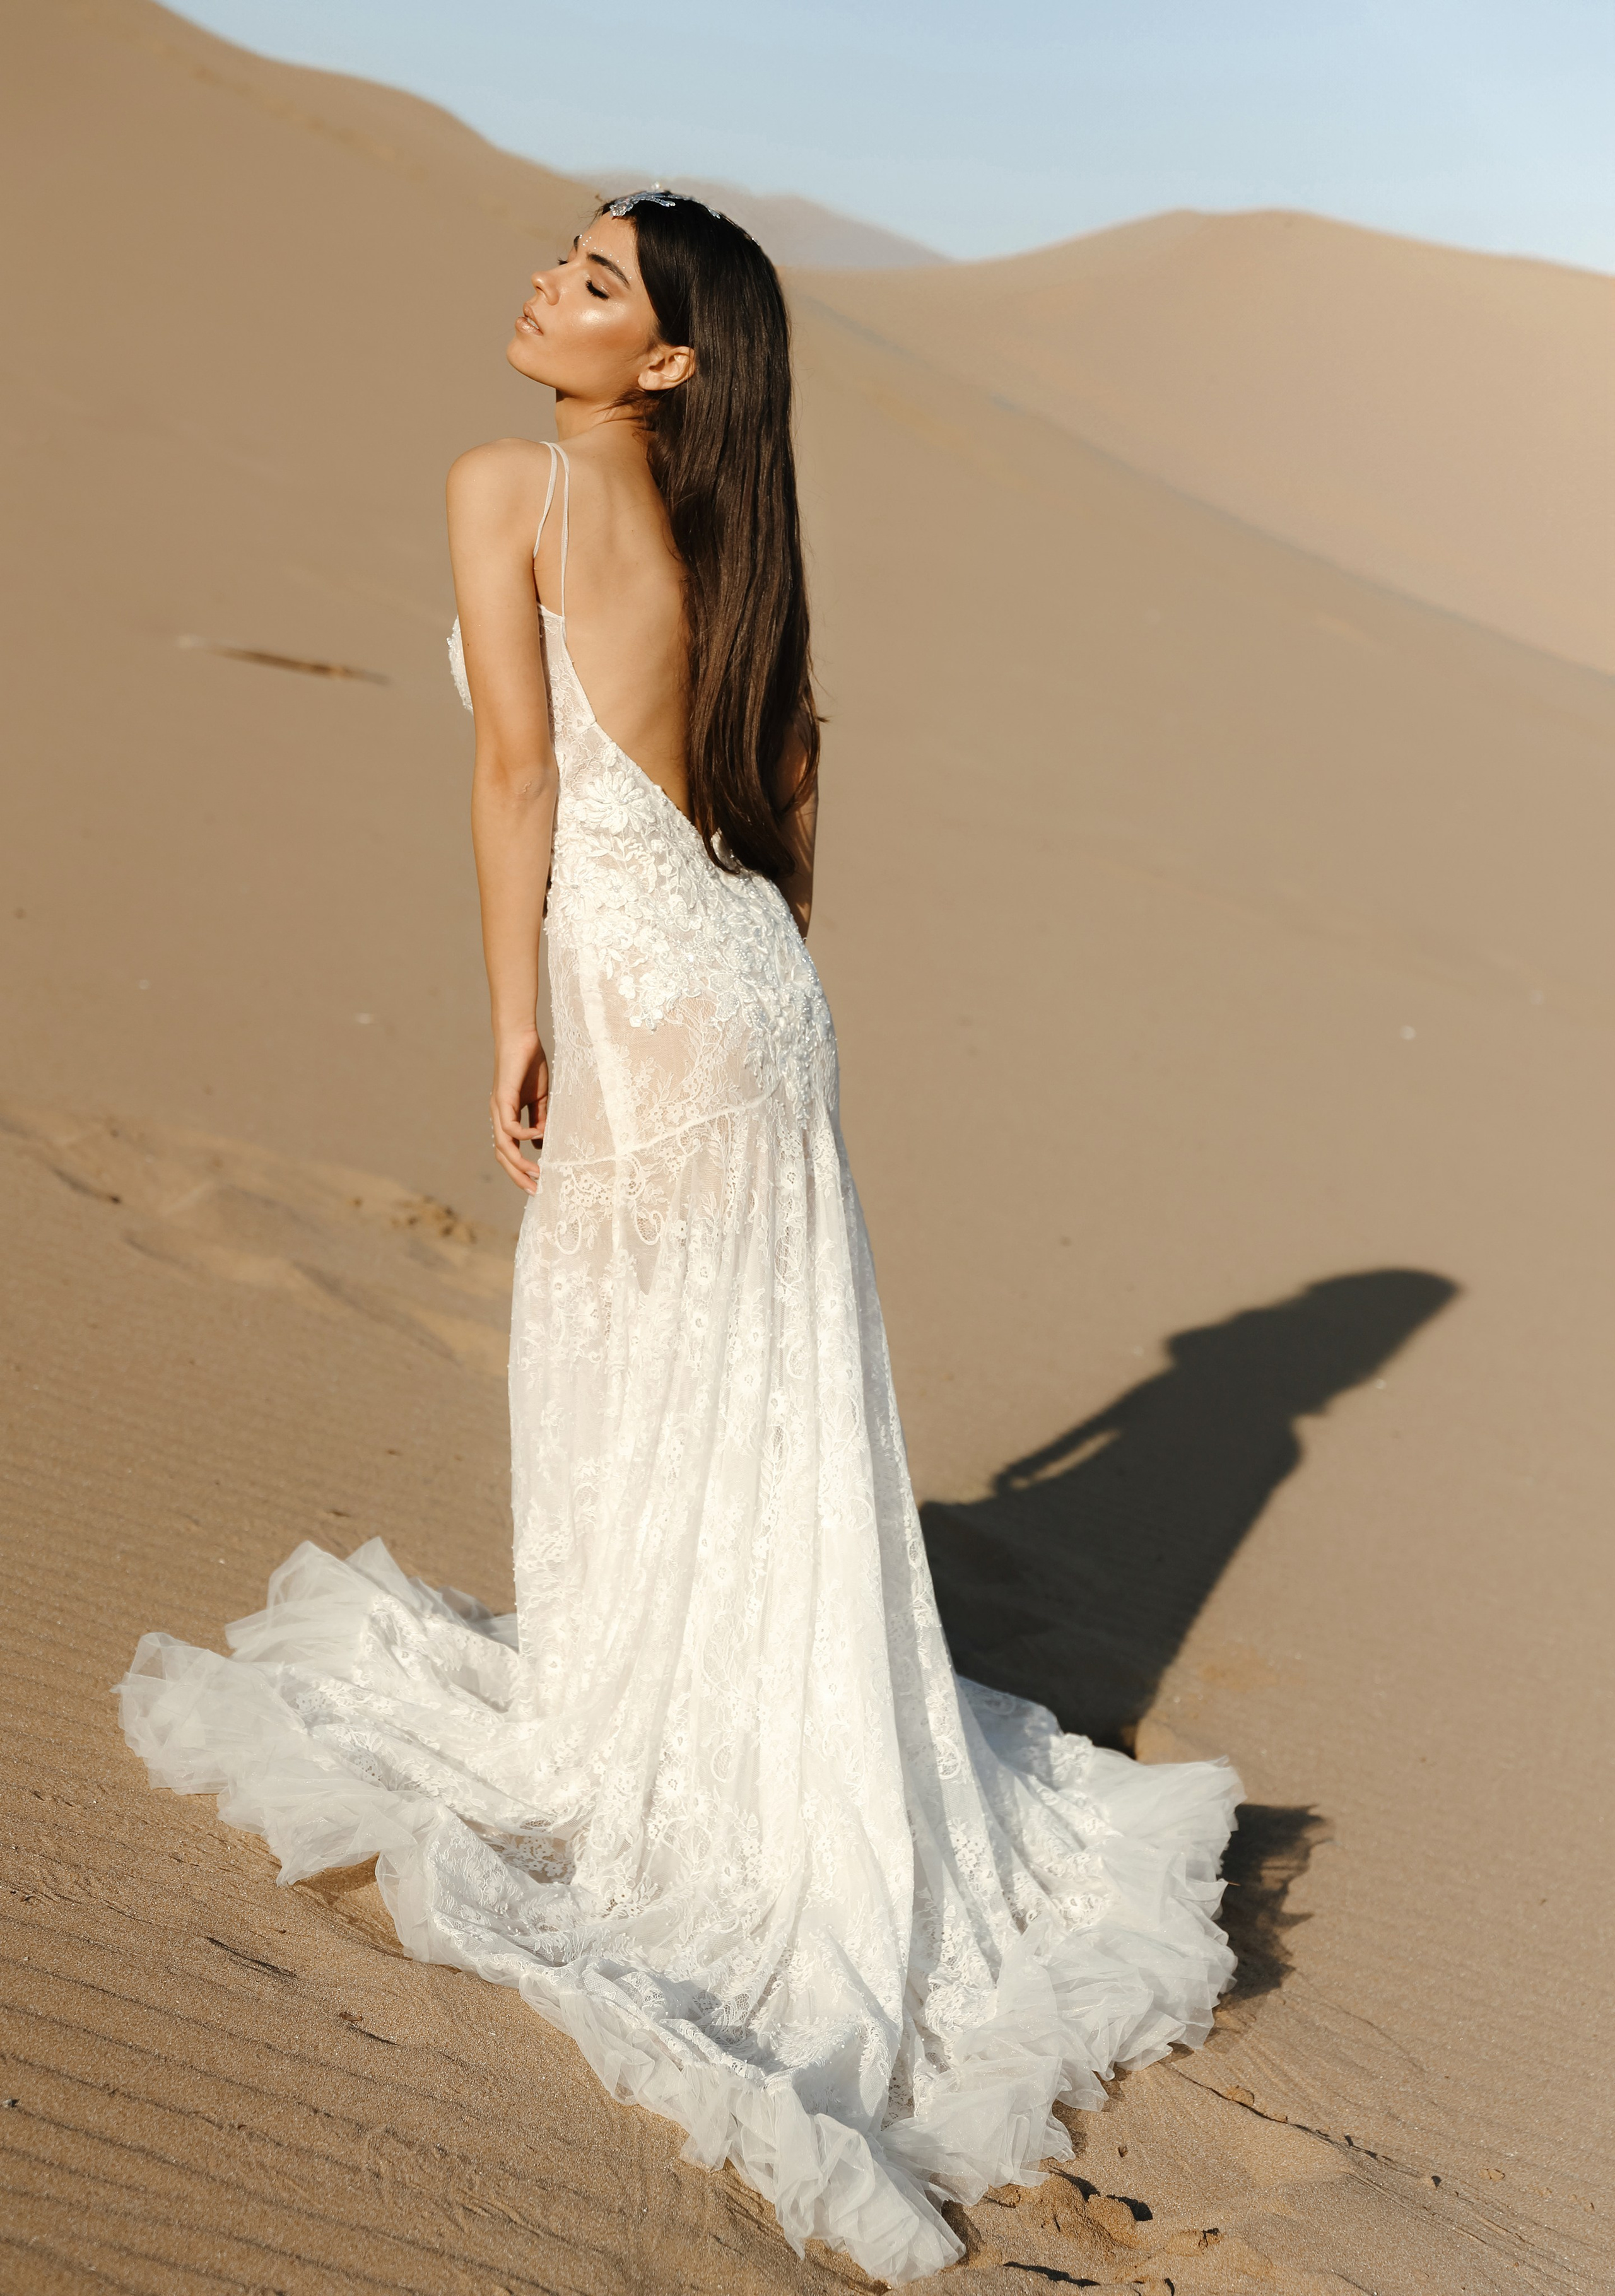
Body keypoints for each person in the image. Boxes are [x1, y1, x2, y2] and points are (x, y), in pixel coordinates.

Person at [119, 192, 1242, 2285]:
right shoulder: (745, 533)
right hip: (756, 1002)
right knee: (752, 1392)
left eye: (597, 284)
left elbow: (515, 780)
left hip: (645, 1005)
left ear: (664, 364)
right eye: (566, 255)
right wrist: (736, 981)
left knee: (636, 1377)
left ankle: (659, 1754)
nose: (548, 283)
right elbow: (790, 792)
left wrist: (515, 1020)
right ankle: (712, 1722)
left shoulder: (506, 487)